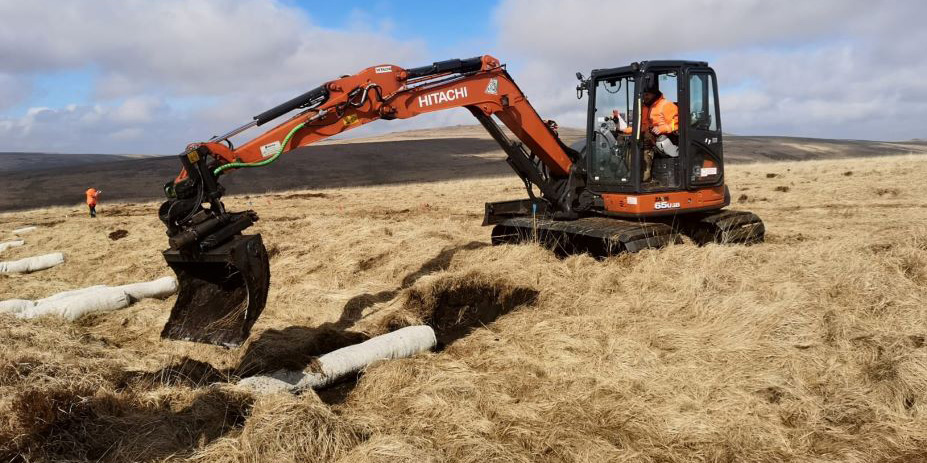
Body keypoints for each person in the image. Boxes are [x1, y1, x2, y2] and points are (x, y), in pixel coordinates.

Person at [619, 85, 679, 182]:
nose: (645, 97)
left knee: (644, 140)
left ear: (654, 94)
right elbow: (643, 126)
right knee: (625, 140)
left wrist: (663, 128)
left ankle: (644, 175)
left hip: (665, 138)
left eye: (647, 94)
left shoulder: (666, 105)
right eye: (643, 95)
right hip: (651, 136)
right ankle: (631, 173)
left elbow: (678, 124)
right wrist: (625, 130)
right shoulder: (646, 107)